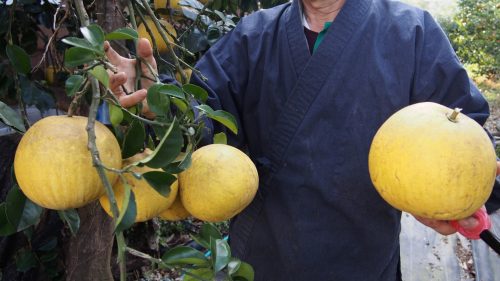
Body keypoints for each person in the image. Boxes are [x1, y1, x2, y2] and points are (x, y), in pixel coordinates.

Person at [105, 0, 500, 279]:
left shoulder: (411, 33)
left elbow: (463, 131)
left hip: (361, 254)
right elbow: (205, 120)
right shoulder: (251, 37)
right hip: (263, 252)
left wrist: (462, 200)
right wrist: (159, 97)